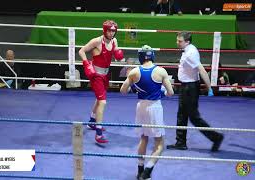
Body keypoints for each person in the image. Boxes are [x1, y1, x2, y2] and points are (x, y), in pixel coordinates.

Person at [120, 45, 174, 180]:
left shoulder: (133, 72)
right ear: (153, 56)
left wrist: (135, 87)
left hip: (141, 107)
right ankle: (147, 172)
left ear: (140, 56)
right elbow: (170, 93)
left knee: (143, 138)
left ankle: (140, 171)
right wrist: (162, 91)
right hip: (154, 107)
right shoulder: (161, 71)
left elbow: (122, 91)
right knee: (160, 143)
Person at [167, 31, 224, 152]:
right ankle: (180, 142)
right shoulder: (189, 49)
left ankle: (216, 137)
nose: (177, 43)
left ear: (187, 41)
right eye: (177, 40)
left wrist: (209, 87)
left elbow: (202, 70)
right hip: (186, 87)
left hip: (190, 88)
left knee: (194, 118)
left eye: (180, 41)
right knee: (181, 115)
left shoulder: (190, 53)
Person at [79, 20, 124, 144]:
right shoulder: (97, 41)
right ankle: (98, 134)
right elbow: (81, 51)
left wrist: (119, 55)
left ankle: (92, 122)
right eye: (109, 30)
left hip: (106, 74)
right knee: (103, 102)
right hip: (96, 75)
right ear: (105, 30)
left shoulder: (114, 41)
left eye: (113, 31)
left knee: (99, 100)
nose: (111, 33)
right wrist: (86, 63)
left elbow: (117, 54)